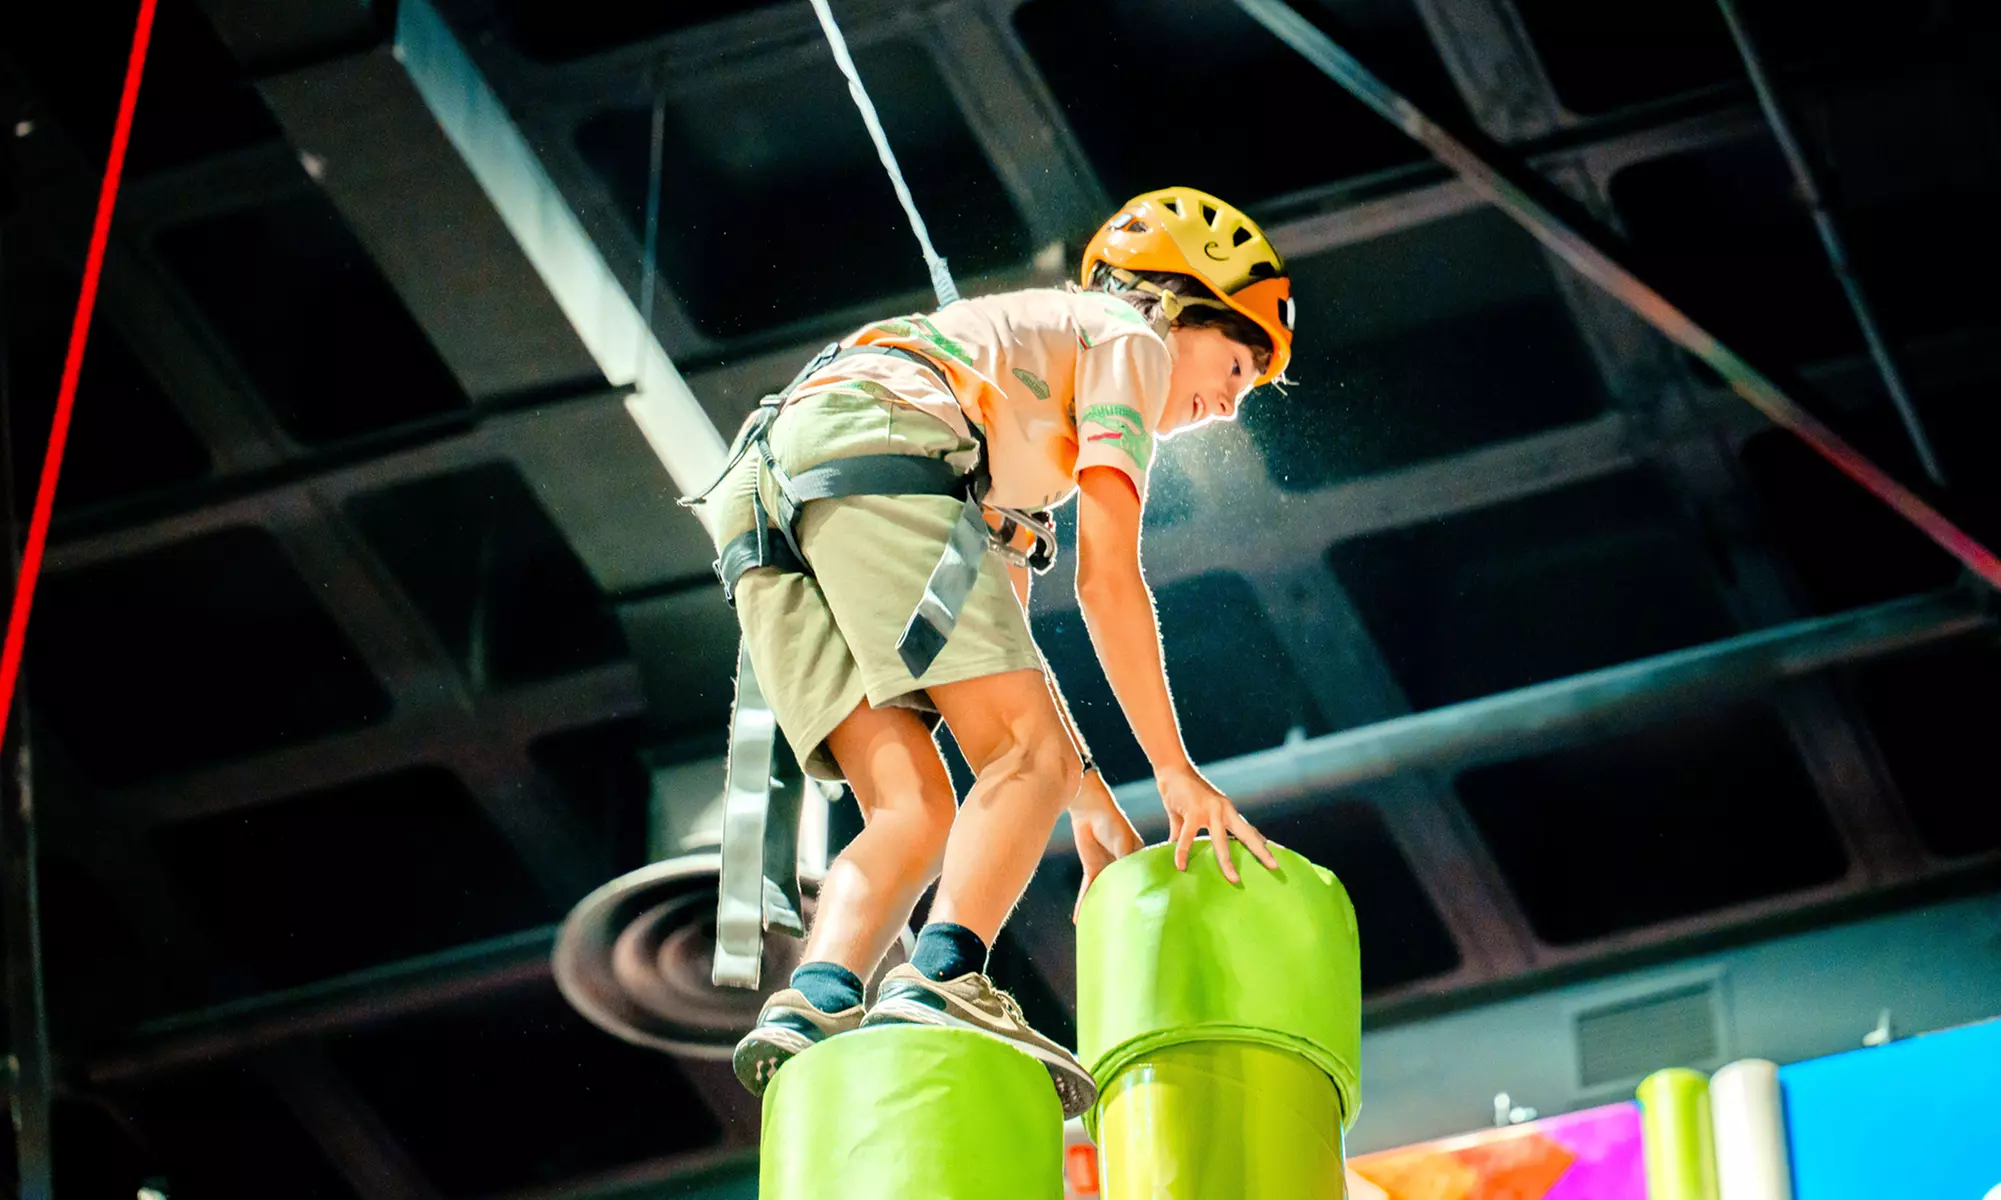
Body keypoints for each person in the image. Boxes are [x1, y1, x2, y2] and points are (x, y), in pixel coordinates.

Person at [705, 188, 1296, 1119]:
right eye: (1233, 364)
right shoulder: (1126, 340)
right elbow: (1107, 580)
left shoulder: (1006, 421)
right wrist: (1176, 775)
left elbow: (1006, 658)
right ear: (1177, 306)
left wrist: (1088, 802)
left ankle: (814, 1000)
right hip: (879, 443)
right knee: (1019, 757)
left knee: (913, 808)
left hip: (768, 491)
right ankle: (944, 975)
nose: (1228, 405)